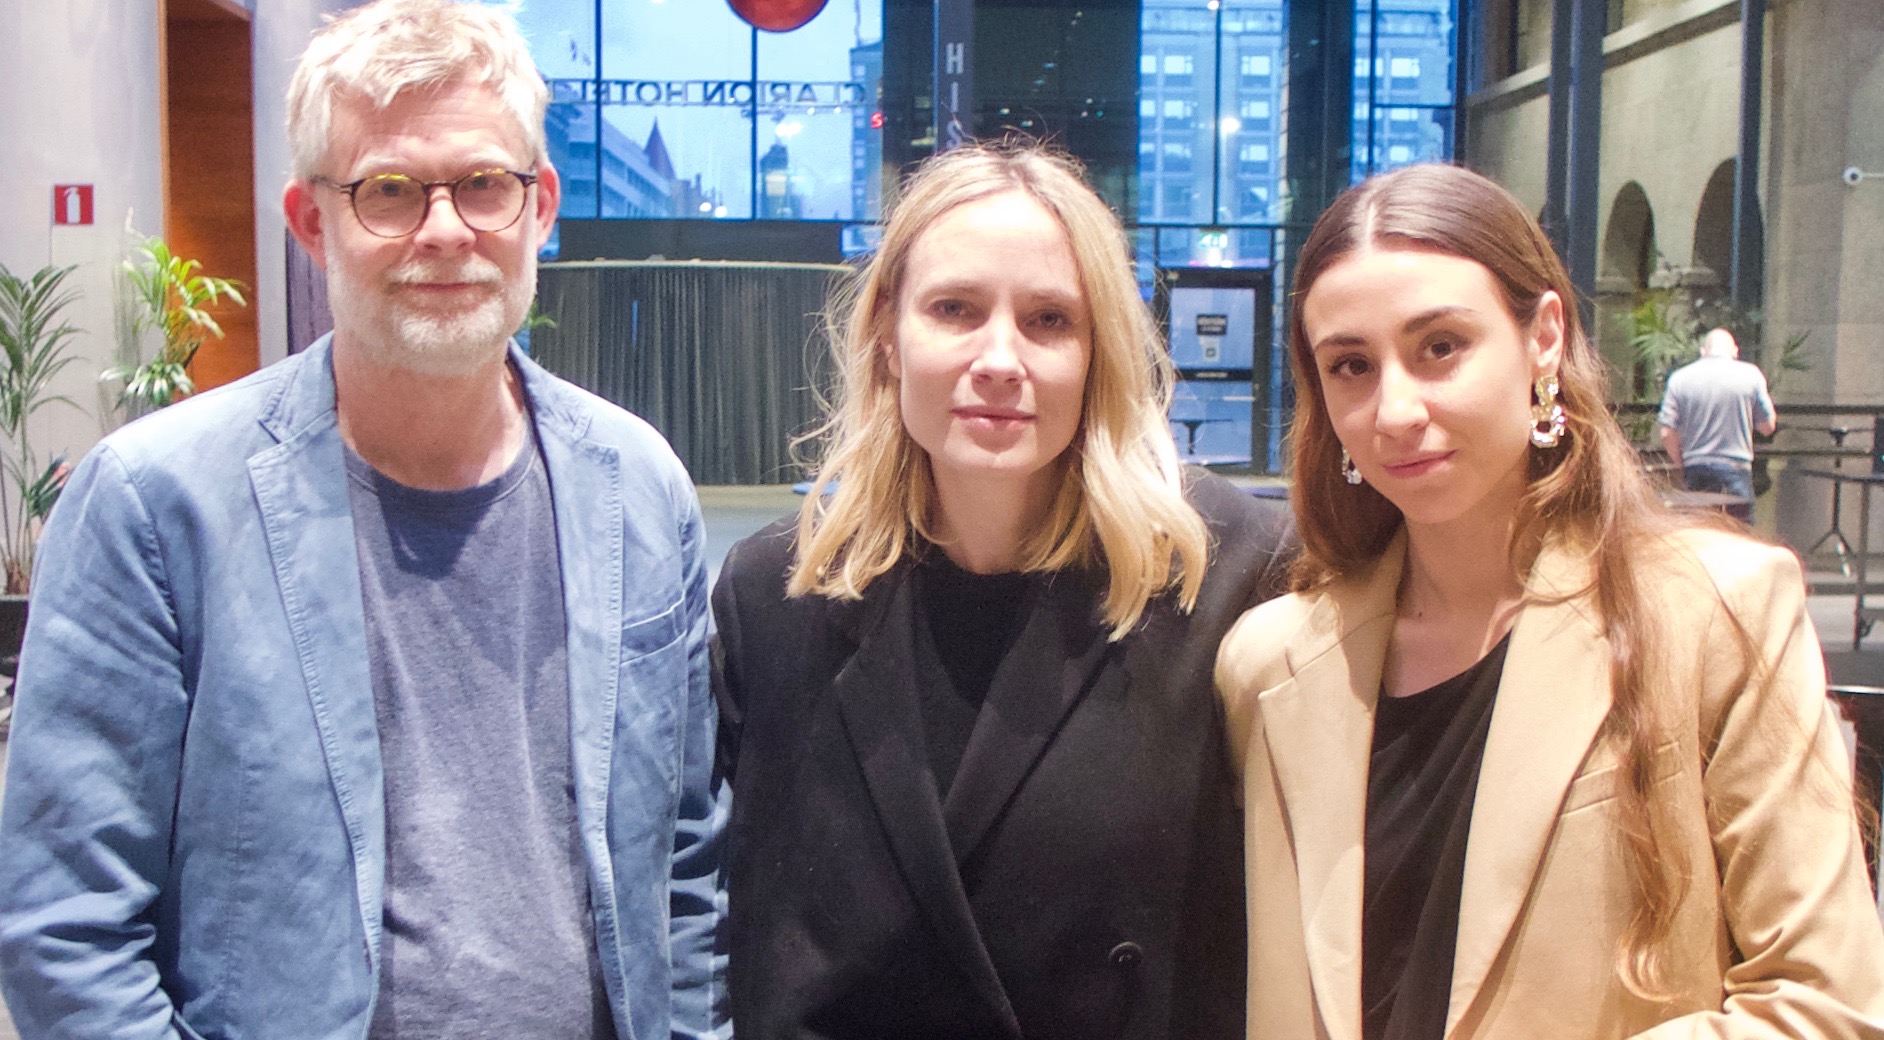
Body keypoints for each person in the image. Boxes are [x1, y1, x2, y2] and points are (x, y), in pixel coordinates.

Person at [0, 3, 724, 1038]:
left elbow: (687, 867)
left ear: (541, 205)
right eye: (388, 190)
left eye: (483, 184)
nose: (444, 231)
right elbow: (68, 929)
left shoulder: (640, 488)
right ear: (311, 221)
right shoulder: (155, 507)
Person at [1216, 163, 1884, 1040]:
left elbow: (1824, 1002)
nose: (1397, 409)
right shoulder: (1269, 663)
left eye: (1440, 347)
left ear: (1544, 339)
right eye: (1351, 365)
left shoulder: (1713, 610)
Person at [712, 142, 1294, 1040]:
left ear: (1099, 351)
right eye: (954, 309)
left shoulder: (1227, 576)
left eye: (1049, 320)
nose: (999, 358)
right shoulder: (776, 595)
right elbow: (750, 930)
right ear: (886, 337)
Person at [1657, 327, 1777, 523]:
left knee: (1698, 530)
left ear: (1703, 351)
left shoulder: (1680, 378)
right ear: (1735, 351)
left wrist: (1680, 462)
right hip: (1735, 467)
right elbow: (1767, 426)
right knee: (1739, 532)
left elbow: (1666, 432)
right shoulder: (1751, 375)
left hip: (1695, 468)